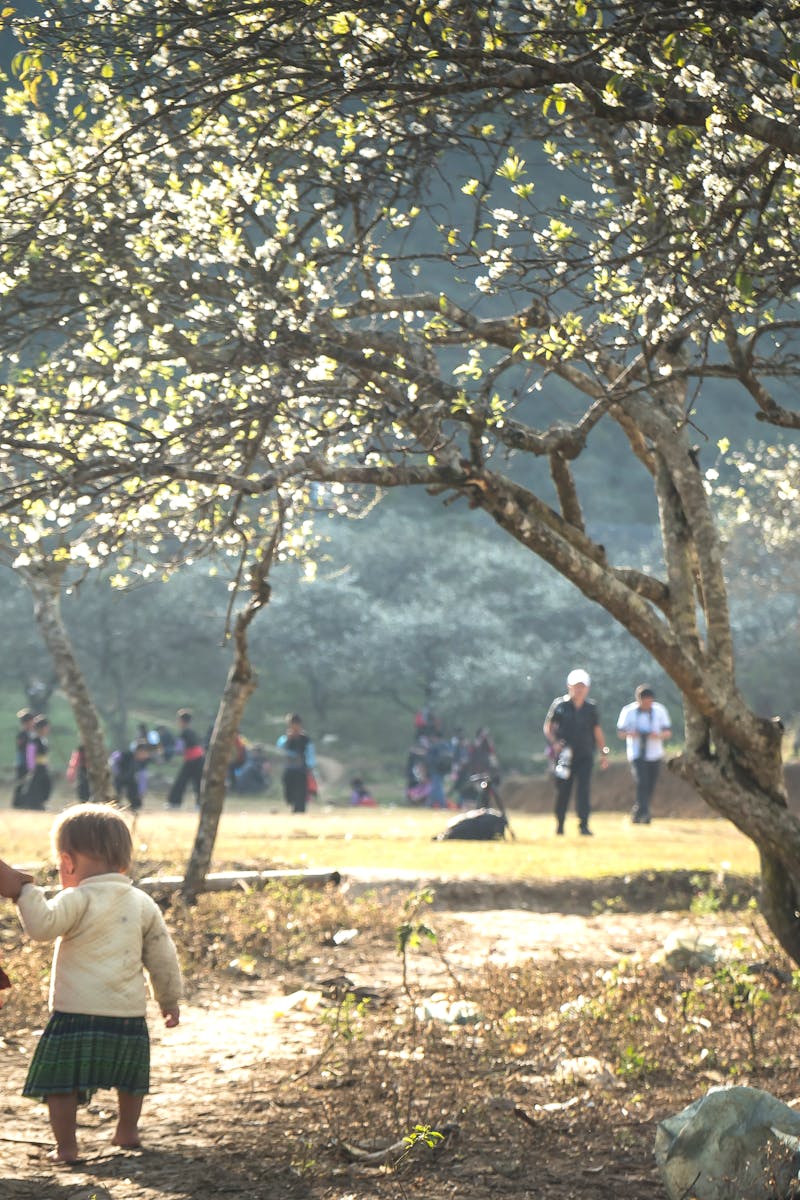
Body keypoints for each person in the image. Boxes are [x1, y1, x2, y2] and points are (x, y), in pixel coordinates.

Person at [0, 805, 182, 1164]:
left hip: (75, 1012)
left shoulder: (77, 898)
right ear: (125, 861)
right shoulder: (142, 903)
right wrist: (169, 1000)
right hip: (126, 1012)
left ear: (67, 862)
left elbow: (41, 928)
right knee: (130, 1078)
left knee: (62, 1083)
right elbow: (162, 957)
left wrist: (23, 890)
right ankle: (127, 1131)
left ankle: (67, 1148)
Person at [544, 669, 609, 837]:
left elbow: (597, 731)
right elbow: (549, 728)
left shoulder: (591, 708)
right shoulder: (560, 706)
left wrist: (604, 752)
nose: (579, 690)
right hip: (565, 756)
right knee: (563, 790)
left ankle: (584, 825)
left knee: (584, 790)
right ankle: (560, 824)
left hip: (585, 754)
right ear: (569, 686)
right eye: (576, 686)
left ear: (587, 688)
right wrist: (555, 743)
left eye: (582, 686)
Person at [616, 684, 672, 824]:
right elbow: (620, 732)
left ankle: (638, 811)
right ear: (638, 700)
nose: (647, 705)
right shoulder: (628, 711)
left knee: (651, 784)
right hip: (636, 753)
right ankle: (646, 814)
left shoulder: (659, 710)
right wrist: (633, 734)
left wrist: (657, 735)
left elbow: (668, 732)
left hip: (654, 753)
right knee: (642, 782)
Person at [276, 714, 317, 814]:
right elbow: (279, 749)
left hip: (301, 769)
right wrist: (288, 739)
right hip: (289, 768)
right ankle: (293, 805)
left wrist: (310, 766)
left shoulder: (305, 739)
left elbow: (310, 752)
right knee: (288, 791)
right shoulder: (284, 738)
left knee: (301, 792)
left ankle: (300, 810)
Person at [166, 709, 205, 810]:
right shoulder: (191, 731)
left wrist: (168, 753)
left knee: (181, 782)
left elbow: (179, 749)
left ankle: (174, 803)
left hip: (193, 760)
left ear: (182, 721)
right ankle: (200, 804)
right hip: (197, 760)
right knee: (198, 783)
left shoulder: (185, 733)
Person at [14, 714, 52, 811]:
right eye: (46, 728)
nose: (47, 730)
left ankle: (41, 803)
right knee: (34, 787)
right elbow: (30, 754)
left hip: (43, 767)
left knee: (45, 785)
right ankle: (32, 804)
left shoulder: (44, 740)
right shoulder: (34, 740)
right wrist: (31, 768)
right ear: (41, 728)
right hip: (36, 767)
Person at [11, 708, 35, 808]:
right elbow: (23, 749)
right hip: (22, 762)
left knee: (28, 783)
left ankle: (25, 802)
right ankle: (17, 803)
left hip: (30, 762)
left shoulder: (32, 735)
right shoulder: (22, 735)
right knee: (21, 782)